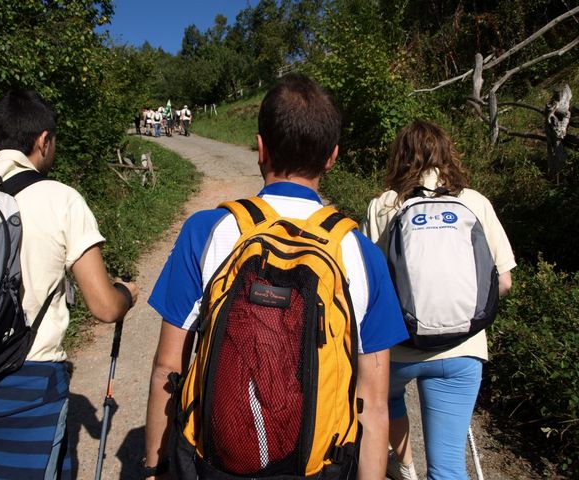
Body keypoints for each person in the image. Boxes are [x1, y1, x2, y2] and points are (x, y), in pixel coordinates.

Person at [143, 73, 409, 479]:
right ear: (332, 156)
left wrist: (155, 467)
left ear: (260, 148)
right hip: (316, 468)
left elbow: (168, 366)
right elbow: (371, 405)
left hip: (211, 465)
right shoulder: (362, 253)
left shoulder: (206, 230)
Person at [0, 90, 139, 480]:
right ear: (43, 141)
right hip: (28, 390)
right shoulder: (59, 198)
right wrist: (126, 294)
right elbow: (104, 307)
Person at [362, 120, 516, 480]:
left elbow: (371, 283)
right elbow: (504, 281)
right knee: (448, 469)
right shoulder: (475, 201)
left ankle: (404, 465)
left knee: (389, 398)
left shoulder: (383, 205)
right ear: (447, 153)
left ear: (399, 157)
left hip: (400, 348)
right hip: (463, 350)